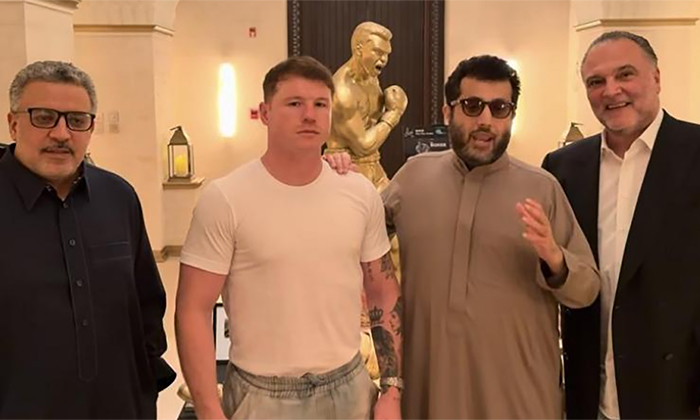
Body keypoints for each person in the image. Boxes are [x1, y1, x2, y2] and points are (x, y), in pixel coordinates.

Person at [175, 55, 403, 420]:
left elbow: (383, 292)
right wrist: (208, 409)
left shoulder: (358, 192)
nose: (309, 115)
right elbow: (193, 309)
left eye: (320, 104)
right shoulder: (226, 198)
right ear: (265, 113)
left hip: (348, 389)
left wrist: (391, 388)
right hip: (261, 396)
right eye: (295, 104)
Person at [383, 55, 600, 418]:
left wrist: (555, 259)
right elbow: (357, 234)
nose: (485, 120)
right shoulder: (412, 178)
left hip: (517, 396)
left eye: (500, 108)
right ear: (448, 112)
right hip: (430, 389)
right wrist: (336, 175)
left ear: (511, 116)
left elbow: (587, 290)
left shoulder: (541, 188)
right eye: (472, 106)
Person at [0, 60, 175, 418]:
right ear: (13, 123)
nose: (62, 134)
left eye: (77, 120)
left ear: (91, 127)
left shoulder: (119, 197)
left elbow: (146, 303)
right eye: (44, 117)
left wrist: (142, 392)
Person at [542, 31, 700, 419]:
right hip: (588, 396)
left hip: (676, 396)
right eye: (596, 81)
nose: (611, 91)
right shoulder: (562, 168)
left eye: (625, 74)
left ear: (656, 78)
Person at [325, 21, 408, 191]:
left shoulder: (371, 77)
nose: (383, 59)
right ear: (359, 49)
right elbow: (363, 145)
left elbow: (370, 123)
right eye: (378, 52)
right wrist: (394, 113)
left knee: (398, 203)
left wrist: (388, 102)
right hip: (346, 168)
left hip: (374, 164)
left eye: (386, 54)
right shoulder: (343, 91)